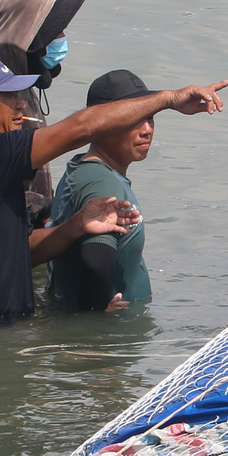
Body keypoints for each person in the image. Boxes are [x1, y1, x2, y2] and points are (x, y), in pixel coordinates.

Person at [0, 54, 227, 323]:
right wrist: (168, 99)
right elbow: (82, 128)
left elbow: (21, 251)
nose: (21, 105)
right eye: (9, 97)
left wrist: (75, 226)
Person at [0, 0, 93, 227]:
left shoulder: (23, 86)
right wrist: (53, 208)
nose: (62, 39)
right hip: (11, 240)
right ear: (30, 37)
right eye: (56, 32)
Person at [50, 69, 158, 312]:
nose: (147, 129)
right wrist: (98, 311)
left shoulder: (83, 168)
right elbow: (96, 261)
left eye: (150, 116)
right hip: (109, 340)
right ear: (101, 122)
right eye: (133, 119)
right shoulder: (102, 183)